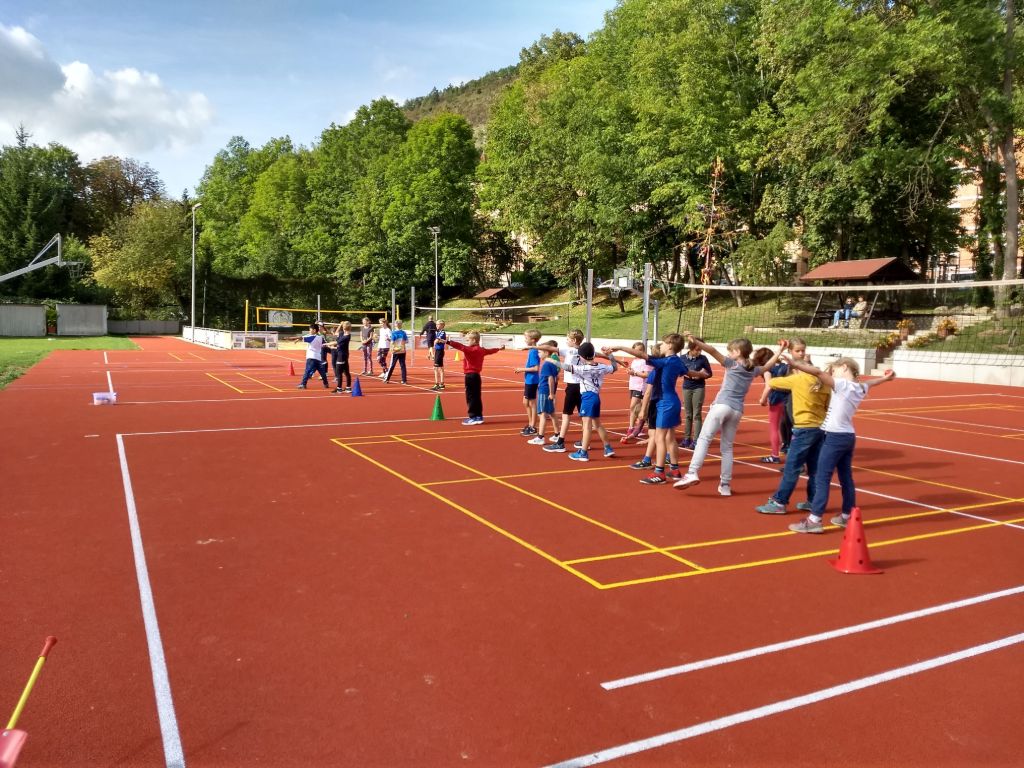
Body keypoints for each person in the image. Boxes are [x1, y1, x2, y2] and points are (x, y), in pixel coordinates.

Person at [786, 359, 896, 533]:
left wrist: (796, 365)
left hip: (834, 437)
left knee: (822, 477)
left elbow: (818, 373)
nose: (832, 373)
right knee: (846, 478)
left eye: (834, 370)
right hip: (848, 436)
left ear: (844, 367)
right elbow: (870, 383)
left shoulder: (843, 385)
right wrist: (885, 379)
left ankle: (814, 520)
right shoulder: (859, 387)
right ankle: (847, 515)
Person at [674, 337, 787, 495]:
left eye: (731, 351)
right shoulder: (753, 369)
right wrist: (780, 351)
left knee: (704, 439)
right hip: (737, 410)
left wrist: (696, 342)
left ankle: (692, 472)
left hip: (722, 405)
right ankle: (725, 485)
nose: (728, 353)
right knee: (727, 448)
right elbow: (768, 365)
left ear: (738, 352)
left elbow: (712, 350)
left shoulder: (732, 364)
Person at [755, 351, 832, 516]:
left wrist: (768, 371)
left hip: (804, 428)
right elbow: (827, 406)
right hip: (820, 428)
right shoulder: (825, 383)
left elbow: (772, 382)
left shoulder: (798, 379)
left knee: (792, 467)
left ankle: (779, 502)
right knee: (815, 468)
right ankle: (813, 501)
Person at [605, 333, 686, 485]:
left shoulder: (665, 362)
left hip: (664, 402)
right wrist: (701, 374)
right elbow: (687, 372)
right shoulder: (677, 361)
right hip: (673, 400)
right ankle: (675, 470)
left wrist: (620, 347)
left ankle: (659, 473)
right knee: (670, 437)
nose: (661, 345)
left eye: (663, 343)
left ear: (670, 345)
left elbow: (641, 355)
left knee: (660, 438)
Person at [554, 342, 618, 461]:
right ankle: (608, 447)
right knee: (597, 425)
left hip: (587, 397)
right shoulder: (602, 366)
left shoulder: (583, 369)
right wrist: (610, 355)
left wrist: (553, 361)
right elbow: (614, 367)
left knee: (587, 426)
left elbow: (567, 367)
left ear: (582, 356)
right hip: (596, 397)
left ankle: (583, 452)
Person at [539, 330, 585, 453]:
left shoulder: (569, 351)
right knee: (584, 416)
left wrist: (533, 346)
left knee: (566, 415)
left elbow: (549, 348)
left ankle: (560, 443)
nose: (566, 341)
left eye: (568, 339)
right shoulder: (584, 351)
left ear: (574, 340)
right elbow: (599, 355)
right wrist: (615, 359)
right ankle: (585, 441)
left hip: (572, 387)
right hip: (583, 386)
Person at [446, 331, 505, 425]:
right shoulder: (481, 350)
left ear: (474, 340)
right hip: (477, 376)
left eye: (468, 340)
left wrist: (447, 342)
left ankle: (473, 417)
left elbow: (460, 346)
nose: (467, 342)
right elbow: (490, 351)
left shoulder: (471, 350)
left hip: (470, 376)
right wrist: (499, 349)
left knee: (470, 397)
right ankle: (478, 416)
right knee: (476, 397)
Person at [680, 337, 713, 449]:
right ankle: (686, 438)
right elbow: (679, 371)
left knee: (697, 414)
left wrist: (701, 375)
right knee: (688, 414)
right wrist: (686, 374)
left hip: (698, 387)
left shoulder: (703, 359)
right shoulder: (682, 358)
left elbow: (709, 373)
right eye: (697, 350)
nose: (699, 352)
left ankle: (696, 440)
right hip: (687, 387)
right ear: (691, 348)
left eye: (700, 350)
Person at [758, 352, 790, 464]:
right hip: (789, 398)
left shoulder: (768, 370)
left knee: (774, 428)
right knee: (790, 426)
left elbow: (769, 386)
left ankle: (775, 455)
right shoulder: (785, 366)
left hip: (776, 399)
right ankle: (790, 451)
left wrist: (762, 399)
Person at [528, 345, 560, 445]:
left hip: (544, 391)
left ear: (546, 353)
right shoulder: (552, 363)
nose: (538, 354)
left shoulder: (546, 364)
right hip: (547, 391)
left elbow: (551, 379)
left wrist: (551, 393)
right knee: (552, 413)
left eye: (540, 352)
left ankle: (540, 437)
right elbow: (556, 377)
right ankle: (557, 434)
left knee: (542, 414)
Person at [622, 342, 652, 444]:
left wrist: (634, 373)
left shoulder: (644, 361)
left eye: (641, 350)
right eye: (636, 350)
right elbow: (634, 372)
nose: (638, 352)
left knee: (634, 407)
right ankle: (635, 427)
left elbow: (645, 374)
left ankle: (633, 427)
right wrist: (630, 371)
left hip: (641, 386)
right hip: (633, 386)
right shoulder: (634, 361)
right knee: (636, 408)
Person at [514, 329, 542, 436]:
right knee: (525, 403)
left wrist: (521, 369)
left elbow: (535, 368)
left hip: (532, 380)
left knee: (532, 403)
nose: (525, 340)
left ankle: (533, 426)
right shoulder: (532, 350)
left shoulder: (534, 352)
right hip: (529, 380)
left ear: (533, 340)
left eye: (526, 338)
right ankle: (530, 424)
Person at [297, 322, 330, 390]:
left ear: (314, 330)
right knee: (322, 372)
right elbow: (325, 344)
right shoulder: (320, 338)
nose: (309, 331)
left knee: (307, 371)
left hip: (311, 357)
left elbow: (302, 338)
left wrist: (290, 338)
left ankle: (303, 384)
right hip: (318, 357)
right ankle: (326, 383)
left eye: (310, 330)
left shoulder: (312, 337)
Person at [384, 319, 408, 384]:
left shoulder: (394, 333)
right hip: (402, 351)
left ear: (395, 325)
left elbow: (392, 342)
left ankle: (387, 379)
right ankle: (404, 380)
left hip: (396, 351)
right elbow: (406, 341)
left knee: (392, 365)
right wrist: (401, 345)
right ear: (401, 325)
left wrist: (389, 342)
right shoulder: (403, 333)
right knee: (403, 365)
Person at [331, 320, 353, 393]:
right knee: (346, 372)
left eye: (343, 326)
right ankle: (348, 387)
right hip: (342, 354)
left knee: (339, 372)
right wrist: (340, 325)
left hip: (342, 355)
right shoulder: (342, 333)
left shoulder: (346, 336)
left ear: (344, 327)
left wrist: (325, 344)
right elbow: (335, 334)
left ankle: (339, 388)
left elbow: (336, 342)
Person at [430, 320, 448, 391]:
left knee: (436, 368)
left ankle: (437, 384)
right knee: (440, 367)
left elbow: (436, 341)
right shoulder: (438, 332)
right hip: (438, 351)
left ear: (442, 325)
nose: (436, 325)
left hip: (439, 351)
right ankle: (441, 384)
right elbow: (435, 341)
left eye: (438, 324)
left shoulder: (442, 332)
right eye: (436, 324)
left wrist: (435, 343)